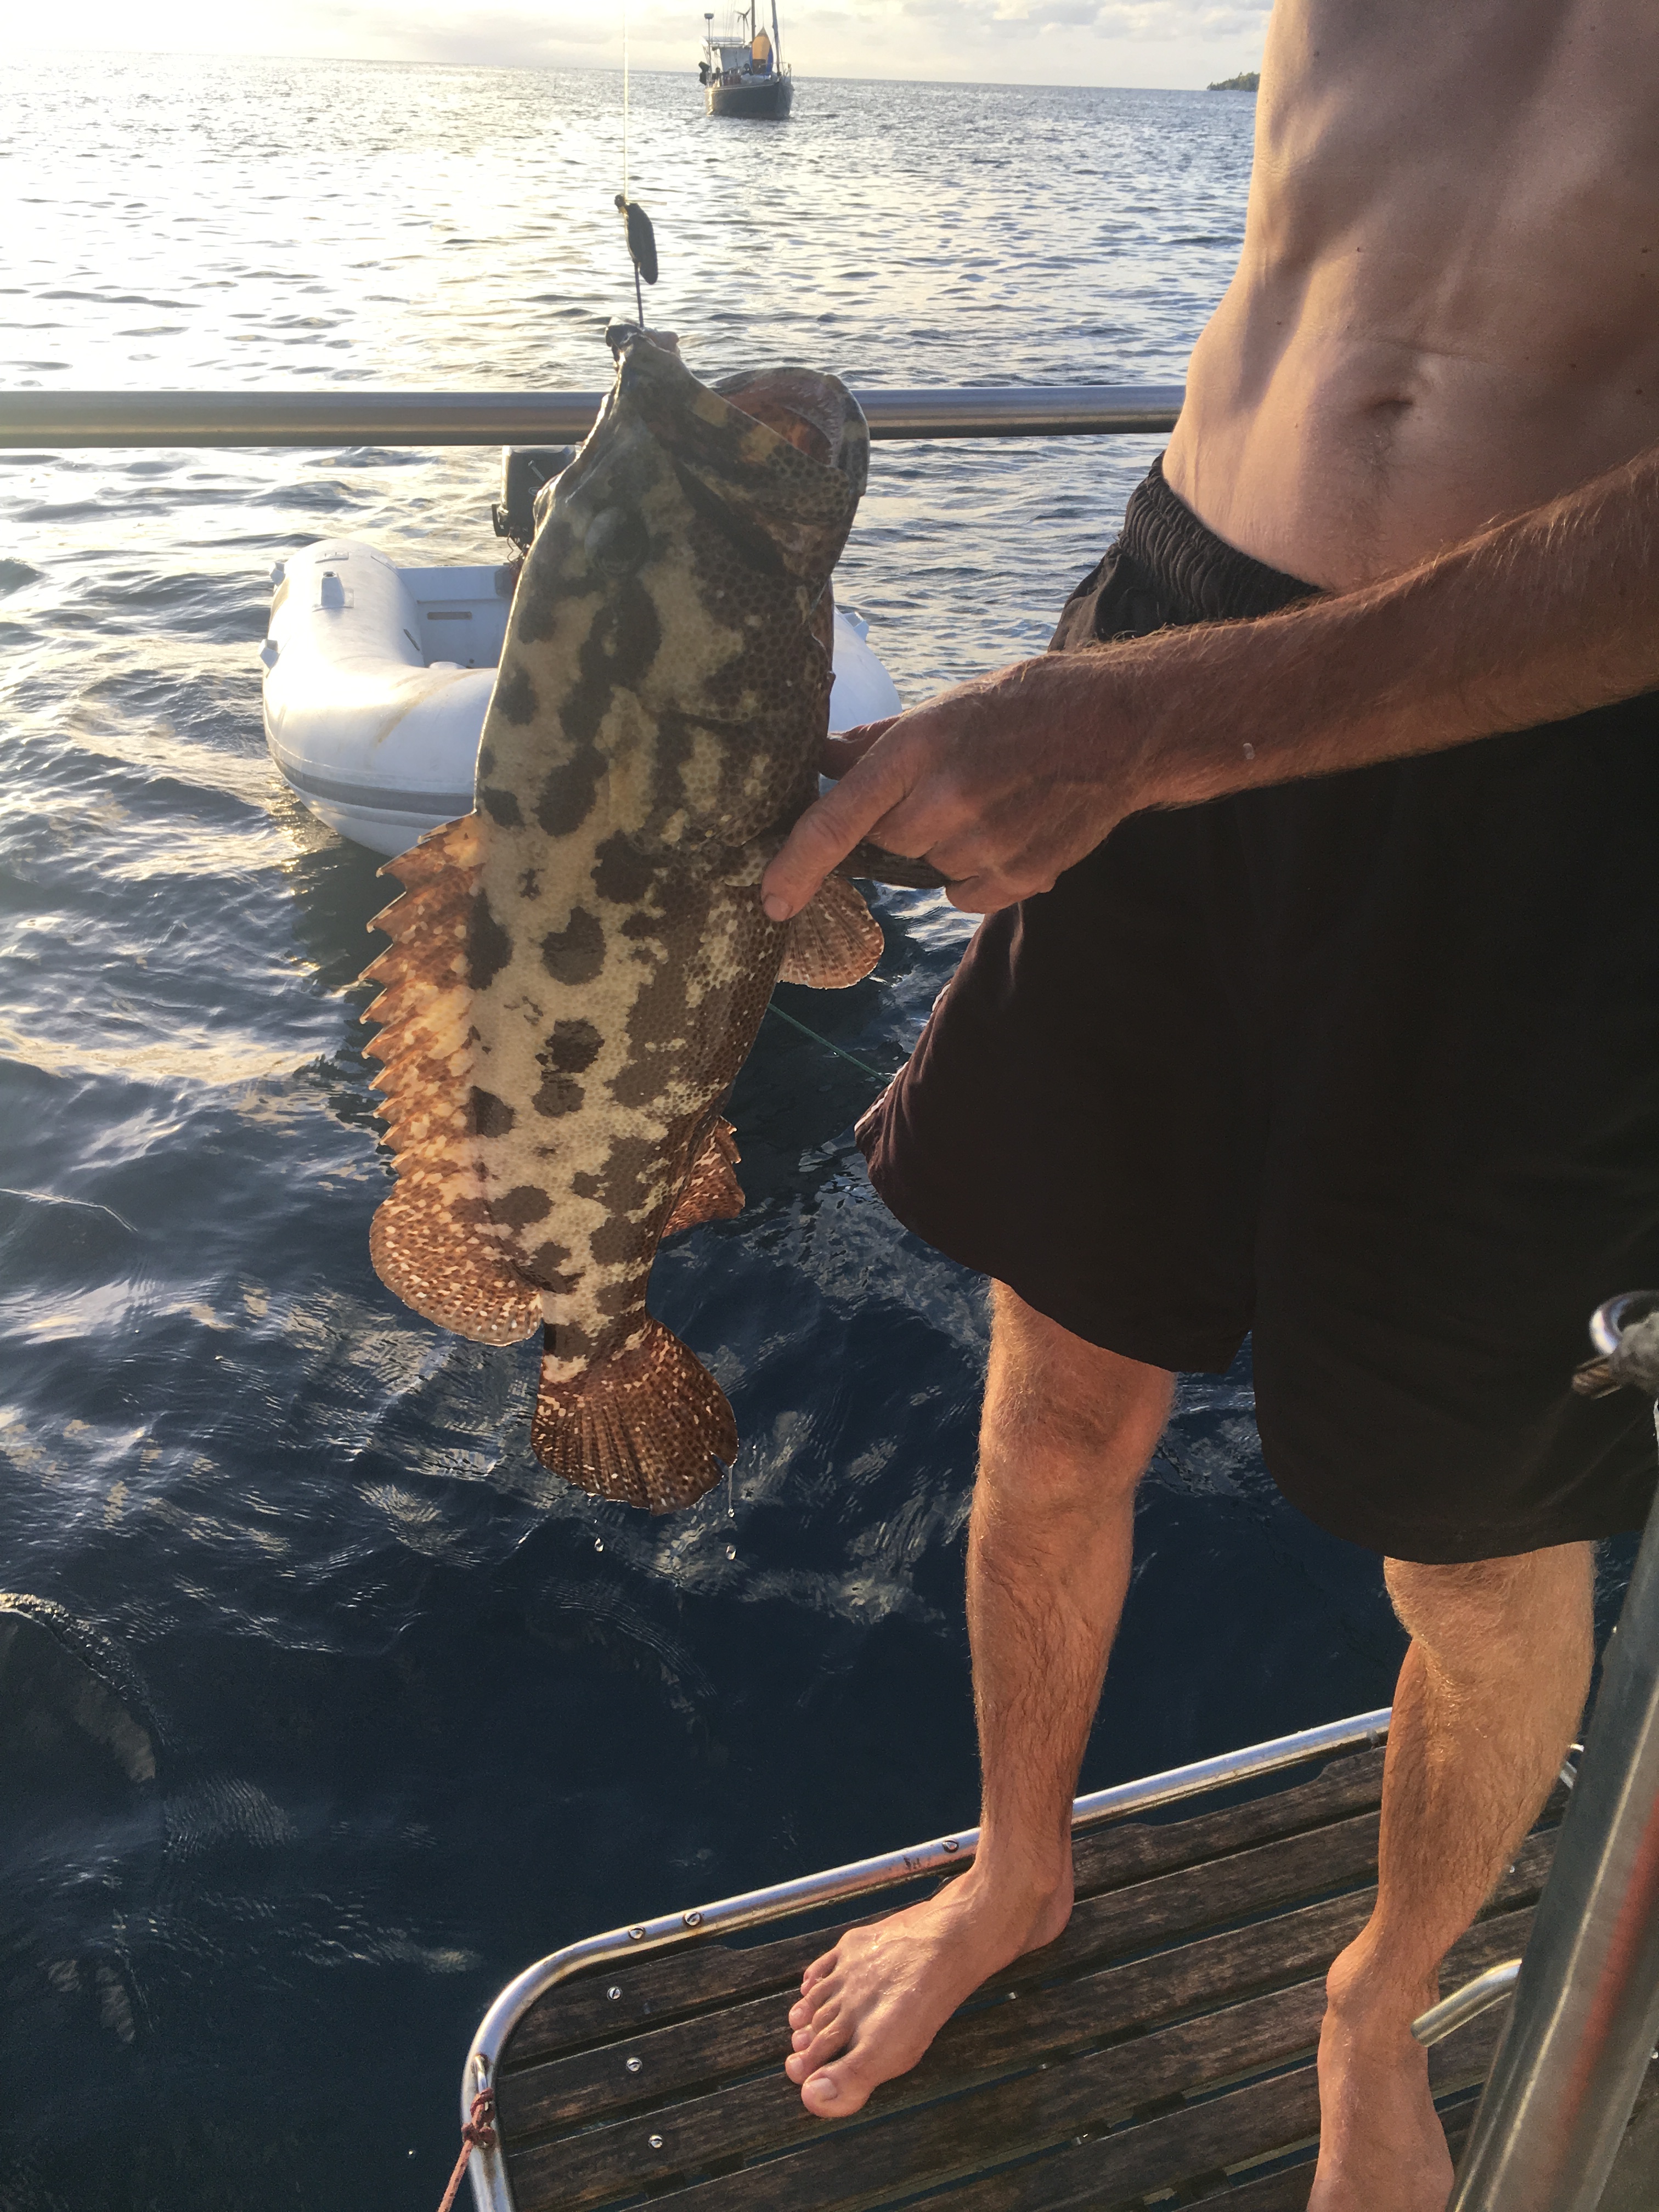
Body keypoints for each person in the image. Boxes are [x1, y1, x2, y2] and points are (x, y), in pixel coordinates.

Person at [756, 2, 1659, 2205]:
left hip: (1560, 772)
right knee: (1061, 1401)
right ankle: (1018, 1869)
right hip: (1175, 624)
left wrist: (1153, 726)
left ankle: (1382, 1995)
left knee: (1475, 1537)